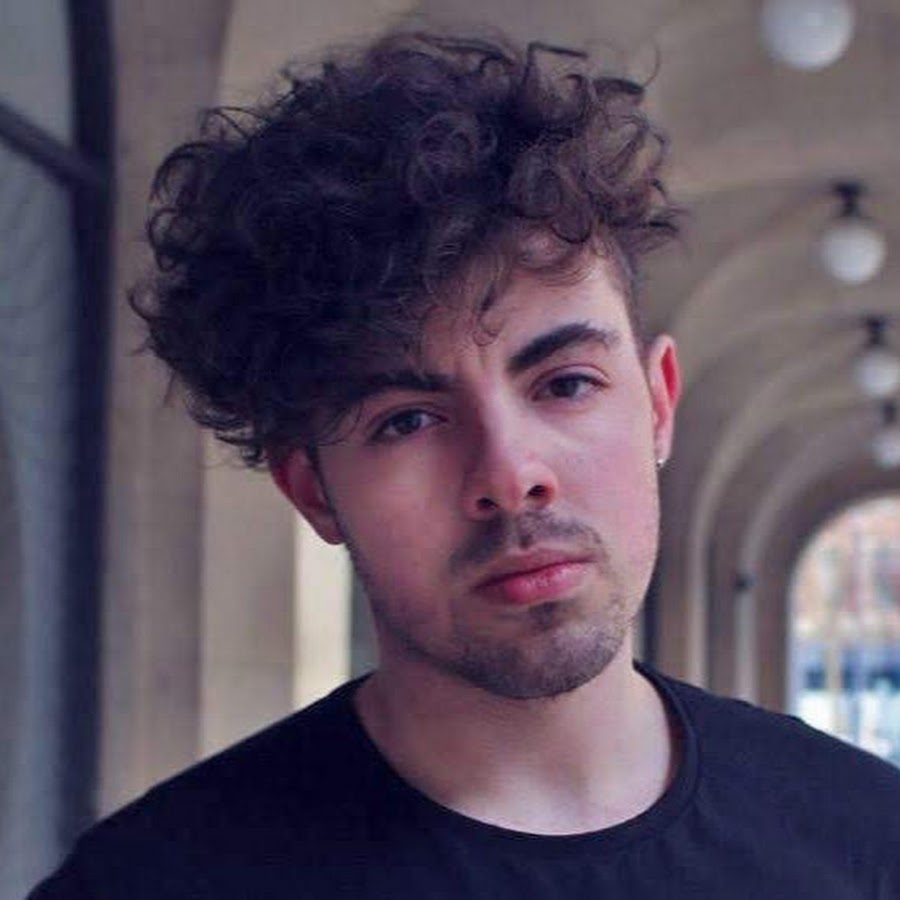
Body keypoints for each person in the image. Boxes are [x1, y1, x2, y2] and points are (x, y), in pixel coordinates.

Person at [30, 29, 900, 900]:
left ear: (658, 405)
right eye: (407, 421)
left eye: (565, 384)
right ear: (312, 490)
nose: (510, 473)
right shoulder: (149, 883)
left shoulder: (867, 840)